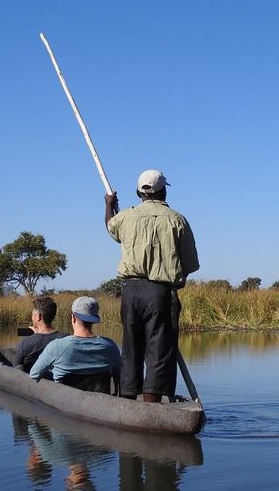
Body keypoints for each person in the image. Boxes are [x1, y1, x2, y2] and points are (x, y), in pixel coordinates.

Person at [104, 169, 199, 403]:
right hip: (160, 292)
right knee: (159, 351)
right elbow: (190, 264)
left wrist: (109, 205)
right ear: (164, 191)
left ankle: (128, 401)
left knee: (131, 348)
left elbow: (110, 227)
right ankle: (151, 406)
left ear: (139, 193)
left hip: (131, 291)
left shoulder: (126, 217)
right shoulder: (177, 220)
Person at [30, 296, 121, 392]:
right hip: (99, 399)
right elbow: (118, 375)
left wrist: (38, 336)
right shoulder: (110, 346)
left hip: (65, 399)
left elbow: (34, 374)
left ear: (73, 317)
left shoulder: (57, 346)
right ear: (94, 320)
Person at [14, 296, 65, 372]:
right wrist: (38, 335)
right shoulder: (65, 338)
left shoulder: (25, 343)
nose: (31, 317)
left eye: (32, 315)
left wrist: (35, 337)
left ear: (38, 317)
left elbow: (16, 368)